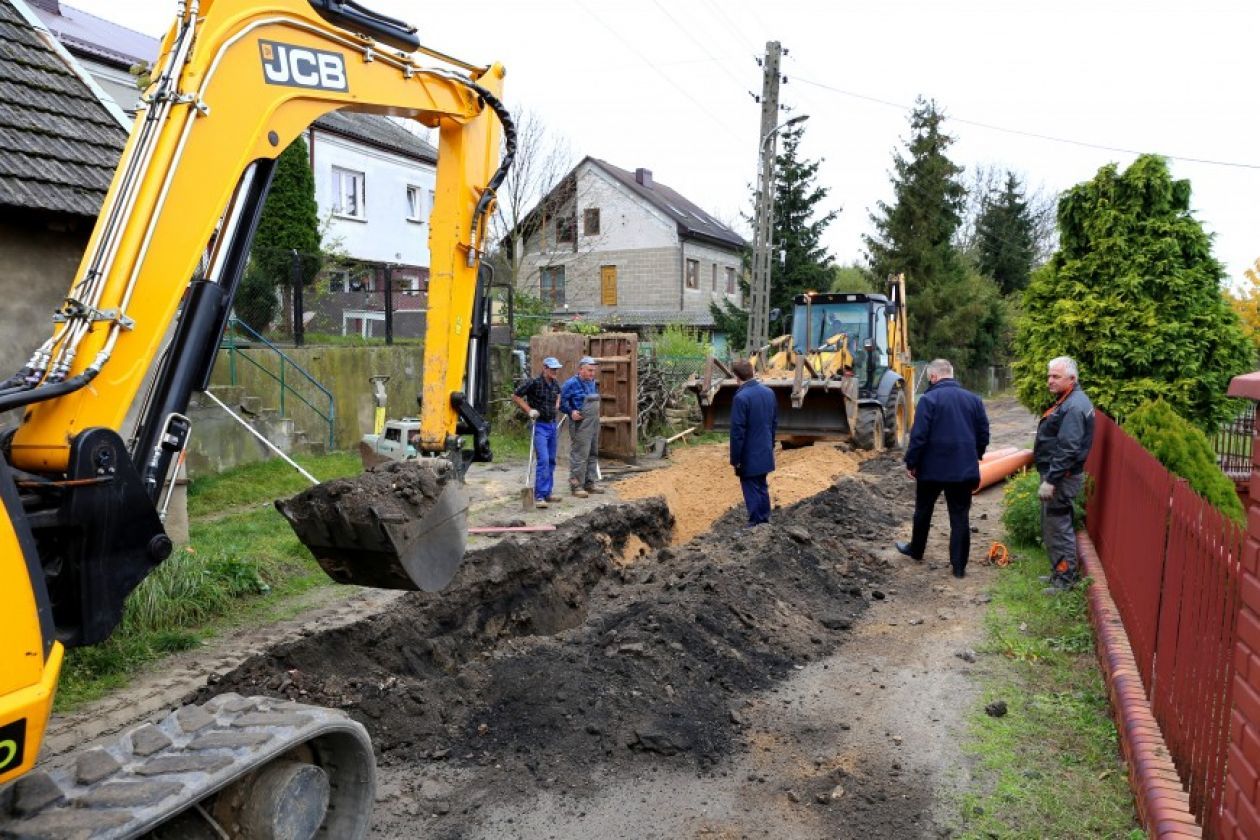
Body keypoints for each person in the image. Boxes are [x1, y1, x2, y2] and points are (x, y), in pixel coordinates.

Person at [895, 359, 990, 578]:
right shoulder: (974, 399)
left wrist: (912, 462)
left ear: (934, 377)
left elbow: (919, 436)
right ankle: (958, 567)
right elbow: (983, 433)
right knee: (959, 516)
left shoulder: (929, 399)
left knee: (923, 511)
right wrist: (975, 455)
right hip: (962, 470)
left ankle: (916, 550)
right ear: (951, 374)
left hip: (931, 471)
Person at [1034, 356, 1095, 594]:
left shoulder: (1074, 406)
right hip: (1058, 475)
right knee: (1052, 524)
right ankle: (1058, 573)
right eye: (1049, 376)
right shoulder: (1068, 401)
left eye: (1055, 377)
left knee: (1059, 526)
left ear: (1072, 378)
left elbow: (1068, 448)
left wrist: (1051, 480)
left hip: (1062, 478)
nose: (1050, 381)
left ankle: (1066, 580)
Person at [729, 359, 778, 526]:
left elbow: (737, 433)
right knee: (762, 486)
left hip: (748, 454)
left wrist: (736, 459)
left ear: (736, 377)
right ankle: (764, 521)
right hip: (764, 450)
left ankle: (756, 525)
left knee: (751, 488)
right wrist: (770, 446)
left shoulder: (741, 398)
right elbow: (773, 423)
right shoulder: (769, 393)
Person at [512, 356, 564, 508]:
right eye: (552, 369)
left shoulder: (555, 384)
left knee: (552, 460)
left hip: (552, 425)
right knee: (543, 459)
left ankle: (547, 493)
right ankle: (539, 495)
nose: (555, 372)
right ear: (545, 368)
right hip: (539, 425)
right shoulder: (534, 383)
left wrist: (557, 404)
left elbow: (559, 394)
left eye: (556, 369)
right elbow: (515, 396)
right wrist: (529, 410)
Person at [561, 356, 603, 497]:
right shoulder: (570, 384)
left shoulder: (592, 383)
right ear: (581, 369)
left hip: (594, 423)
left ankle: (589, 483)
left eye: (593, 371)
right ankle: (576, 486)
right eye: (590, 370)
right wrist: (571, 411)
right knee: (580, 454)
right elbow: (562, 403)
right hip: (581, 424)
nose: (592, 373)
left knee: (592, 453)